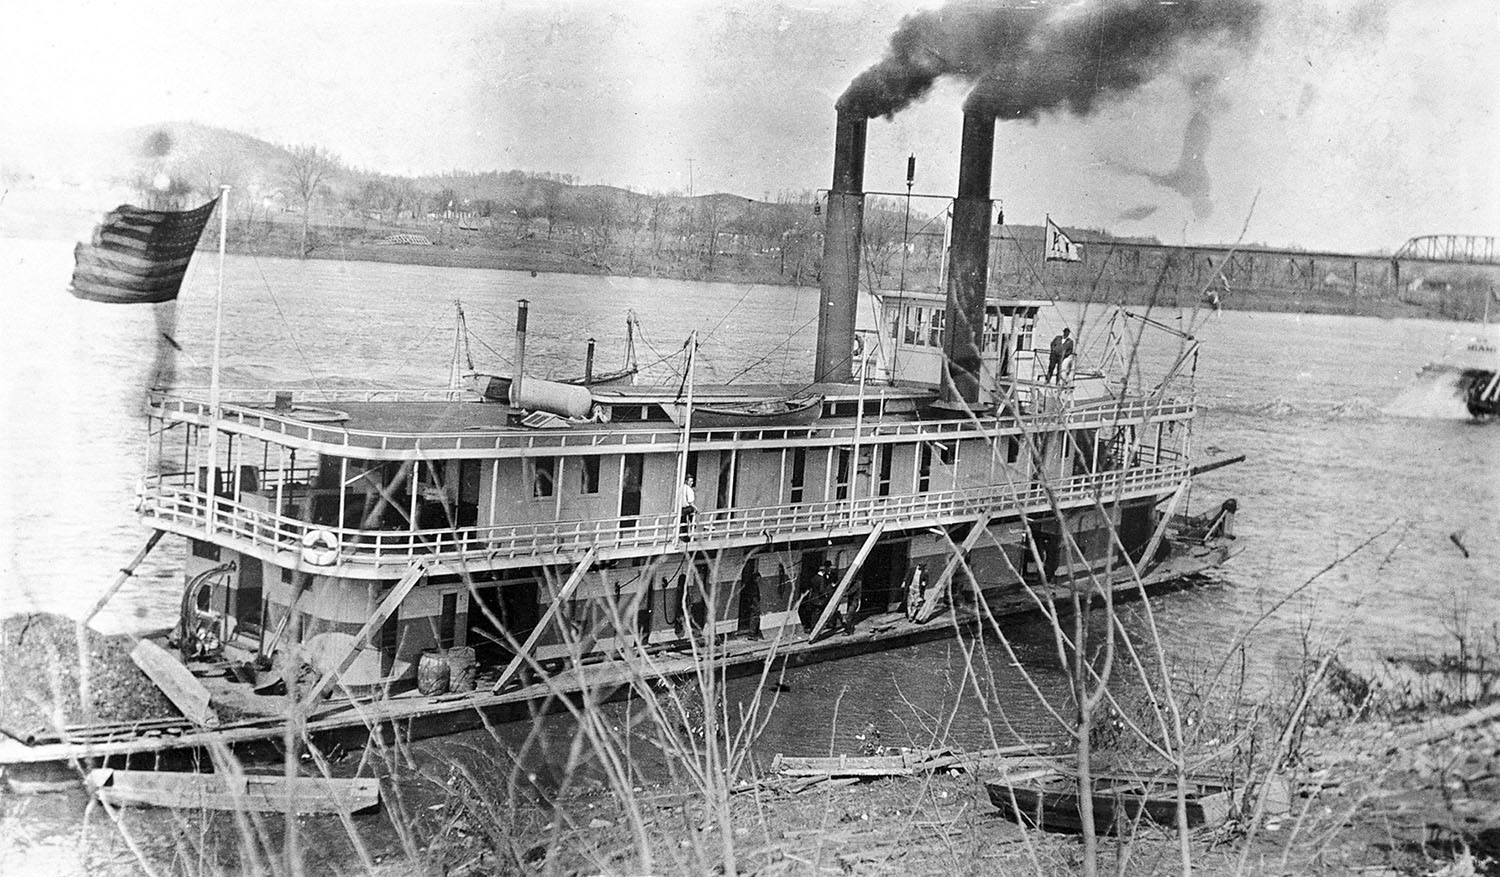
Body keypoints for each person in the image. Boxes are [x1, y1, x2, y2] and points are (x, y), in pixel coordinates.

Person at [678, 474, 697, 540]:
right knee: (692, 512)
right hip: (686, 507)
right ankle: (693, 524)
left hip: (681, 508)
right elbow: (690, 502)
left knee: (683, 521)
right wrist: (695, 508)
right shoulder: (689, 489)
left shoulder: (681, 488)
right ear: (686, 481)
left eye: (692, 481)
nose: (692, 483)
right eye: (690, 481)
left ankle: (683, 535)